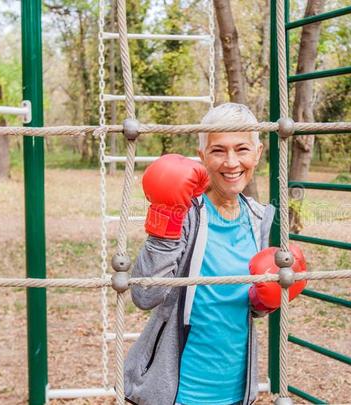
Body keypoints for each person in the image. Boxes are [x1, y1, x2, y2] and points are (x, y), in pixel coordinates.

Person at [124, 103, 307, 405]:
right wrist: (165, 221)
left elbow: (250, 310)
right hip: (177, 393)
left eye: (242, 149)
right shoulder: (185, 213)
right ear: (202, 157)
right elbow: (144, 296)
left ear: (258, 154)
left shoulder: (259, 219)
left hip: (236, 392)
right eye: (218, 151)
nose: (231, 162)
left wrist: (265, 300)